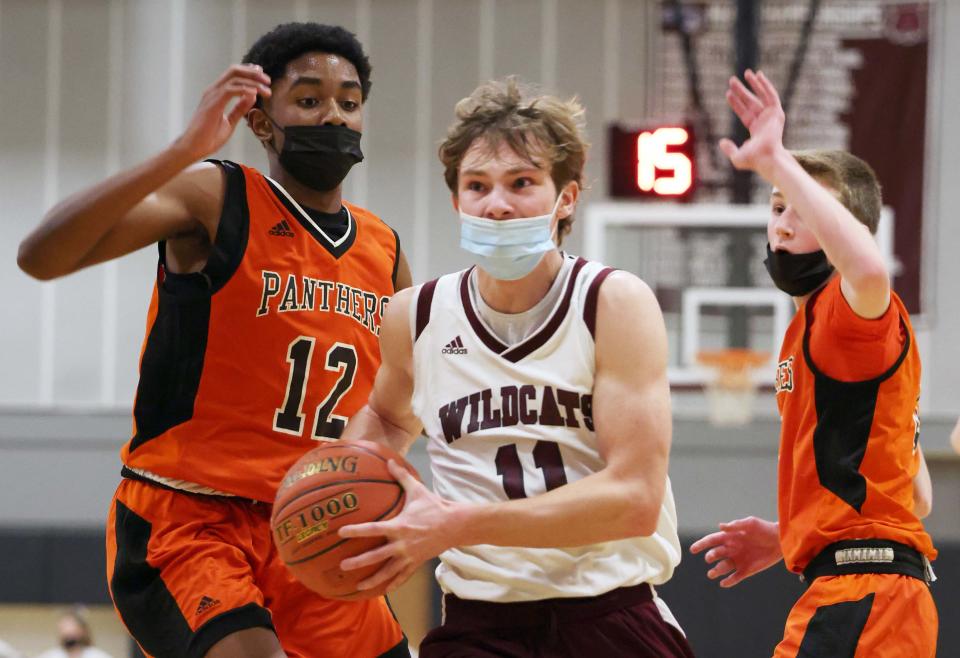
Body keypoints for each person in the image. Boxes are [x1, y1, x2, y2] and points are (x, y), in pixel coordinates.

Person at [17, 22, 411, 658]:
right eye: (309, 100)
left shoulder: (384, 249)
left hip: (312, 520)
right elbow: (43, 255)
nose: (333, 114)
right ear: (261, 122)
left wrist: (399, 490)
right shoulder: (218, 195)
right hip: (189, 519)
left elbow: (404, 396)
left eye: (349, 100)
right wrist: (180, 150)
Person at [334, 78, 695, 657]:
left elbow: (635, 498)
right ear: (456, 201)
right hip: (481, 625)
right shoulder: (417, 315)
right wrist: (342, 485)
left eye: (521, 183)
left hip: (610, 612)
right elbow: (387, 416)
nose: (496, 203)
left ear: (566, 198)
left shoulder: (612, 303)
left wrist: (456, 524)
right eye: (477, 186)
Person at [690, 70, 937, 657]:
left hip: (865, 594)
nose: (783, 221)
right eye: (778, 206)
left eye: (802, 206)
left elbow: (872, 270)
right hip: (870, 588)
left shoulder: (850, 312)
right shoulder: (808, 332)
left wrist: (776, 161)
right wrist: (793, 534)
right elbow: (916, 495)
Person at [36, 608, 115, 658]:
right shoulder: (52, 655)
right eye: (64, 628)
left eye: (72, 627)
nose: (67, 632)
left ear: (83, 631)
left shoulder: (96, 655)